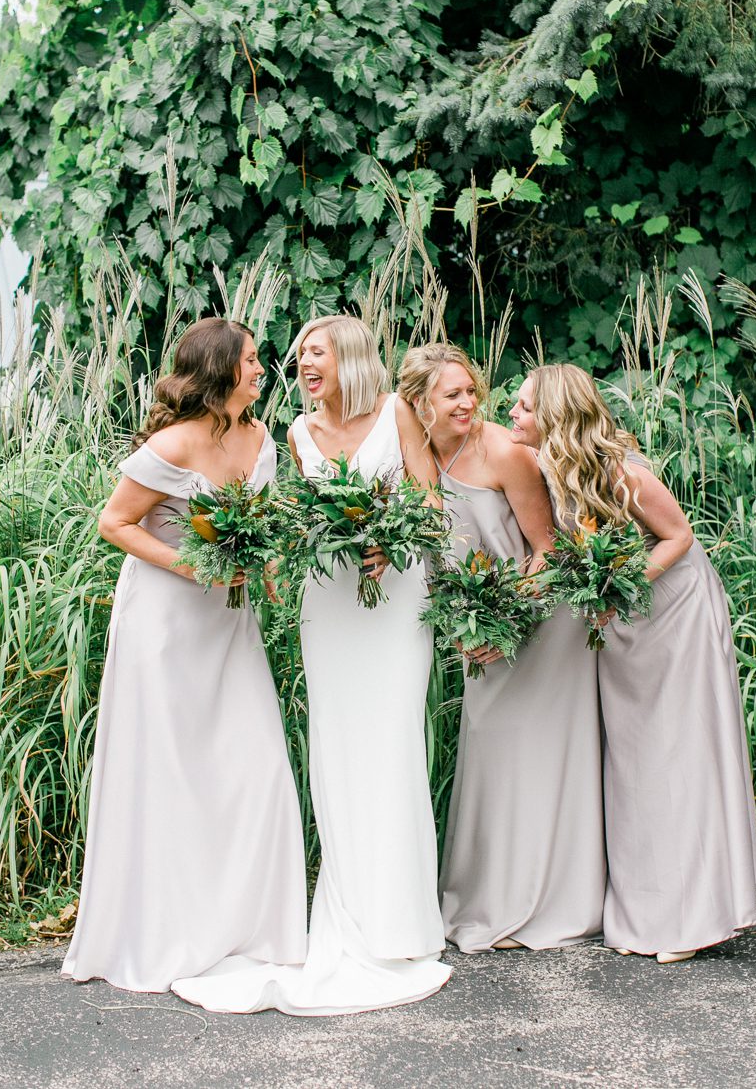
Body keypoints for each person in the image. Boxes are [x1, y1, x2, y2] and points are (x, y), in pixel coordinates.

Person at [172, 315, 451, 1016]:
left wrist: (396, 542)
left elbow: (430, 498)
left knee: (391, 743)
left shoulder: (397, 413)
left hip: (396, 596)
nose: (300, 365)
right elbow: (306, 521)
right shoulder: (297, 434)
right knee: (337, 744)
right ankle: (351, 903)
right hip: (329, 602)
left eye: (313, 353)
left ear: (349, 356)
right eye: (297, 357)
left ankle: (400, 920)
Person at [62, 318, 307, 992]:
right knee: (171, 774)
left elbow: (257, 529)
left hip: (231, 626)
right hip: (165, 627)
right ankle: (165, 932)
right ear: (221, 371)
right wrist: (191, 567)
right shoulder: (170, 445)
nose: (262, 370)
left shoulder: (261, 441)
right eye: (252, 361)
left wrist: (266, 568)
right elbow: (114, 524)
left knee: (253, 765)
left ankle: (251, 927)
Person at [512, 363, 756, 963]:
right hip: (622, 625)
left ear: (553, 414)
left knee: (676, 754)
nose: (514, 416)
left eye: (523, 406)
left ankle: (690, 919)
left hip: (674, 614)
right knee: (633, 760)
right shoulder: (550, 470)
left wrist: (616, 585)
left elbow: (678, 538)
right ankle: (645, 909)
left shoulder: (622, 473)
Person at [399, 344, 607, 951]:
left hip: (540, 620)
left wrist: (507, 622)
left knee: (539, 757)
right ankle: (491, 894)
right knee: (493, 754)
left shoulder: (505, 453)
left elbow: (547, 548)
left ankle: (551, 902)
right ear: (421, 403)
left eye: (471, 390)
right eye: (452, 395)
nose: (468, 403)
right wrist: (468, 622)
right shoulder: (414, 454)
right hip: (480, 623)